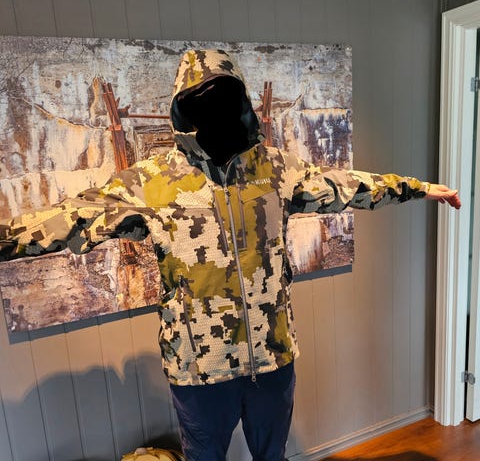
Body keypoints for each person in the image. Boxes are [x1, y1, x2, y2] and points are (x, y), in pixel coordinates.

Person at [0, 49, 460, 461]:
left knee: (272, 455)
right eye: (201, 103)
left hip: (273, 359)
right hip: (199, 372)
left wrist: (418, 188)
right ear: (182, 111)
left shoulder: (275, 169)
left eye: (225, 99)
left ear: (242, 103)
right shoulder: (150, 182)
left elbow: (346, 186)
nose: (215, 113)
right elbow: (72, 218)